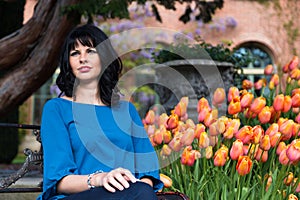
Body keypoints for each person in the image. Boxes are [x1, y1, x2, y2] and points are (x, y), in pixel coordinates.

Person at [37, 24, 163, 200]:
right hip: (76, 197)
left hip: (129, 195)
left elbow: (148, 173)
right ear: (69, 63)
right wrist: (101, 179)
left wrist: (131, 191)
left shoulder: (127, 110)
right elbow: (59, 181)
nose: (82, 58)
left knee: (141, 191)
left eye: (90, 51)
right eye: (75, 53)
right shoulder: (57, 109)